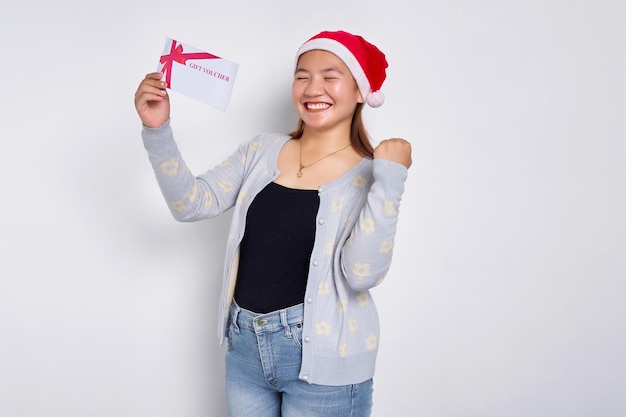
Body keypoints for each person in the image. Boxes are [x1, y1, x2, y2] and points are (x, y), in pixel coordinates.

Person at [134, 30, 412, 417]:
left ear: (360, 90)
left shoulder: (371, 175)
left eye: (331, 75)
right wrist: (157, 130)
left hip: (326, 364)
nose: (314, 87)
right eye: (303, 75)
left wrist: (391, 180)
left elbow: (362, 273)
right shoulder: (260, 150)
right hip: (245, 350)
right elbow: (190, 204)